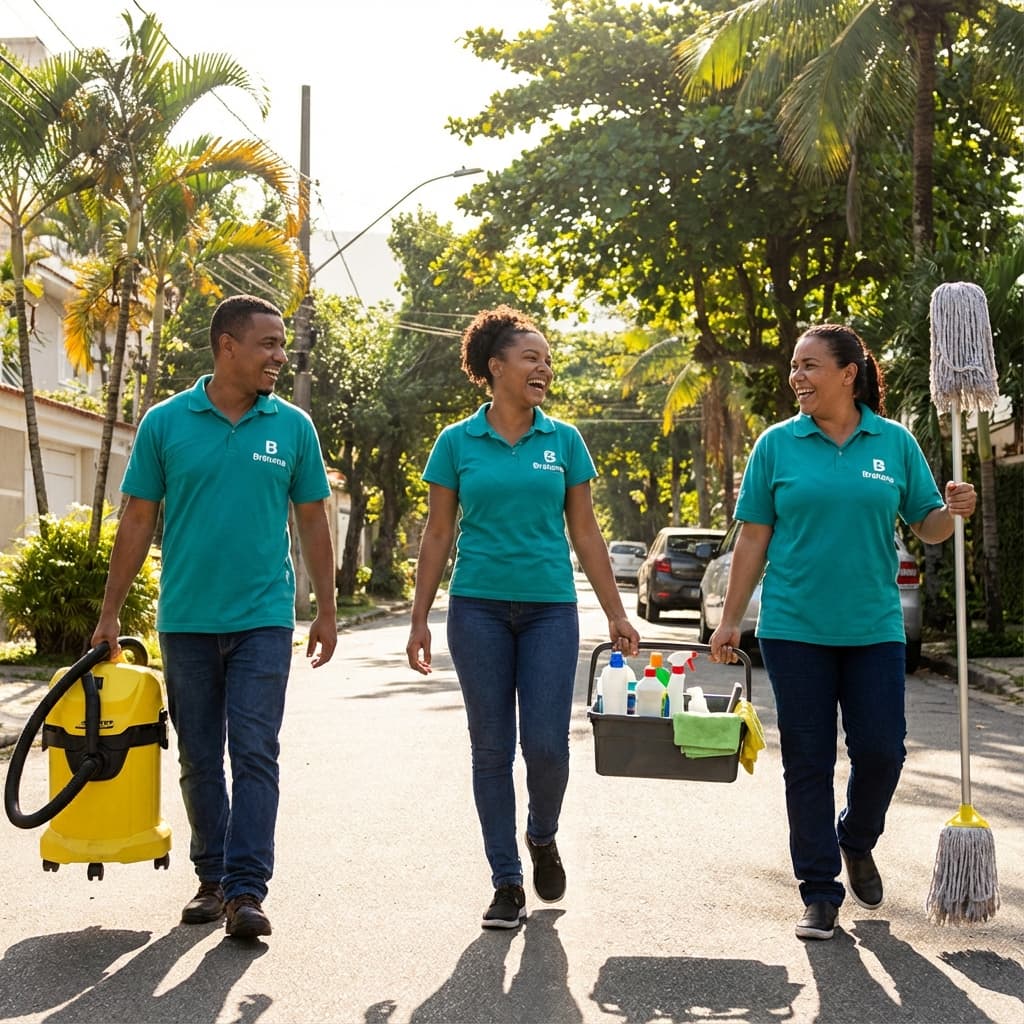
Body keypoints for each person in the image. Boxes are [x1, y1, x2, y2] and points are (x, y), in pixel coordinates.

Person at [709, 323, 976, 941]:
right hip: (795, 626)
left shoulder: (895, 443)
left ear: (848, 372)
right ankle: (820, 891)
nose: (797, 377)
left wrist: (953, 511)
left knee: (883, 750)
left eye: (809, 366)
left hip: (873, 626)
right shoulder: (777, 446)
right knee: (807, 761)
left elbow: (928, 527)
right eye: (794, 368)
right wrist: (729, 619)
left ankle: (856, 838)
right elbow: (753, 536)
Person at [92, 294, 338, 940]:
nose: (281, 357)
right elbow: (138, 518)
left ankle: (247, 889)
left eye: (283, 345)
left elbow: (312, 517)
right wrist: (110, 613)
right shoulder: (166, 423)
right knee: (200, 757)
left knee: (254, 751)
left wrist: (328, 609)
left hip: (261, 618)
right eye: (268, 345)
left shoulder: (292, 427)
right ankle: (213, 877)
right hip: (187, 620)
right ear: (227, 346)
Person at [406, 305, 640, 929]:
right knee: (490, 749)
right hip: (478, 607)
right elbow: (436, 534)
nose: (545, 367)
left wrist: (616, 613)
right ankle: (506, 880)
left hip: (549, 611)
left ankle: (542, 832)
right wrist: (419, 617)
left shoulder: (563, 440)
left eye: (546, 358)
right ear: (496, 367)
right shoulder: (456, 442)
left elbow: (586, 532)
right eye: (531, 357)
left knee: (546, 746)